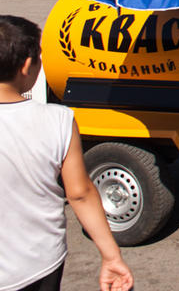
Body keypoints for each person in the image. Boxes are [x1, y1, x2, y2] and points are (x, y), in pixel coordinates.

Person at [0, 15, 134, 291]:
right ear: (28, 65)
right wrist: (111, 255)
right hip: (36, 264)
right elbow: (80, 193)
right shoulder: (58, 120)